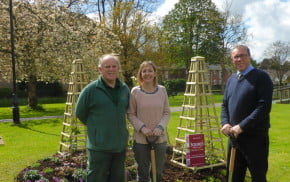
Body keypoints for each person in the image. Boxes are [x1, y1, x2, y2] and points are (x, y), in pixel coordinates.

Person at [220, 45, 273, 182]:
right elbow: (224, 104)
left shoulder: (261, 77)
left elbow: (264, 107)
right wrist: (225, 122)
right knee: (234, 176)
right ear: (232, 60)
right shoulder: (231, 80)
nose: (239, 59)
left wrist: (242, 126)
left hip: (255, 139)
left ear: (249, 57)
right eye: (235, 57)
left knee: (258, 176)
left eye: (242, 55)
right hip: (234, 138)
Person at [75, 54, 130, 182]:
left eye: (114, 66)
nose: (111, 69)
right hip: (98, 147)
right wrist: (97, 128)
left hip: (119, 146)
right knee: (96, 178)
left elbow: (127, 109)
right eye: (107, 67)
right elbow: (80, 113)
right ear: (100, 69)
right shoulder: (90, 90)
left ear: (118, 68)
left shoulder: (124, 89)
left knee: (117, 179)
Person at [127, 61, 171, 182]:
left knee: (157, 173)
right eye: (144, 71)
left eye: (150, 70)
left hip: (159, 138)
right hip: (141, 139)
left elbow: (166, 112)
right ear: (140, 74)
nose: (147, 73)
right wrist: (142, 128)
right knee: (142, 173)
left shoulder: (162, 90)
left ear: (155, 73)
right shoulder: (135, 92)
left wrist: (160, 127)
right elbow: (130, 114)